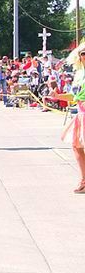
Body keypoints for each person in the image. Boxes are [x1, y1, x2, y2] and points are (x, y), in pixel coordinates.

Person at [60, 45, 85, 192]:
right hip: (81, 113)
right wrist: (57, 96)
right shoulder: (79, 74)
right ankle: (83, 179)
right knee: (76, 146)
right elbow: (73, 96)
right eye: (83, 54)